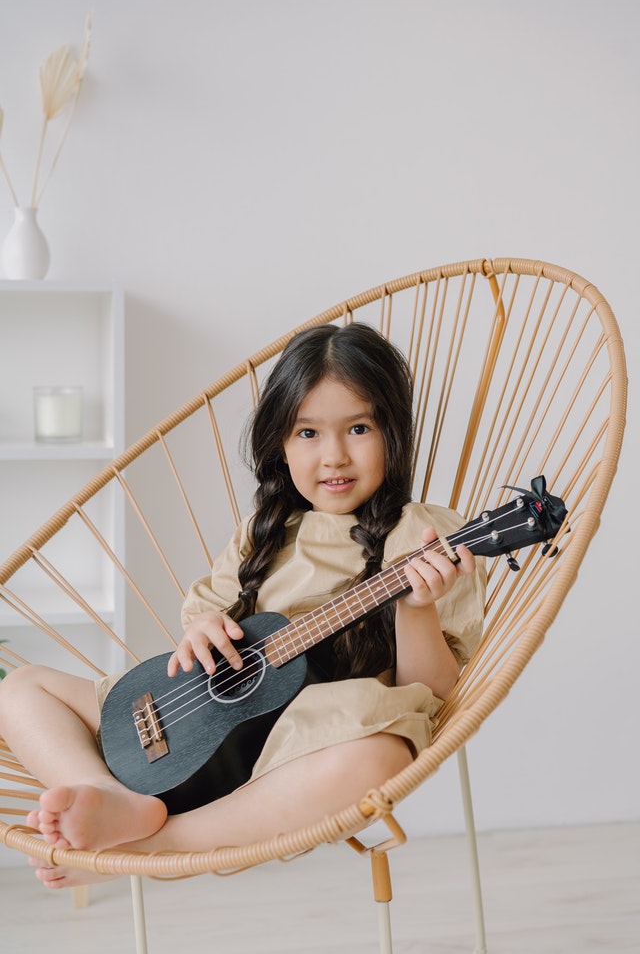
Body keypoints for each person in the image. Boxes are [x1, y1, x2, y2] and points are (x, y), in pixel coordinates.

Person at [0, 322, 486, 890]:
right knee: (20, 688)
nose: (334, 456)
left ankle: (151, 846)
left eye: (358, 428)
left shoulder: (423, 539)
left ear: (393, 435)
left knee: (381, 760)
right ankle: (106, 790)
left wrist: (416, 609)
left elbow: (438, 697)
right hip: (195, 725)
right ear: (280, 442)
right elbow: (205, 616)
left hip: (291, 758)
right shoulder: (267, 532)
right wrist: (202, 627)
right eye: (308, 432)